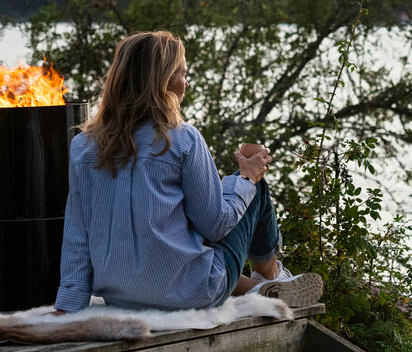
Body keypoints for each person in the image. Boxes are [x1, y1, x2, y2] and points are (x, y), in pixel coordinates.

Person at [53, 30, 322, 314]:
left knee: (187, 215)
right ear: (161, 82)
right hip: (192, 295)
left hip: (120, 297)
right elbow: (215, 225)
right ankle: (270, 275)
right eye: (181, 74)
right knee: (254, 189)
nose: (186, 83)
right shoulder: (183, 139)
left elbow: (77, 234)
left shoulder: (82, 145)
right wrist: (247, 179)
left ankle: (253, 286)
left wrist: (68, 304)